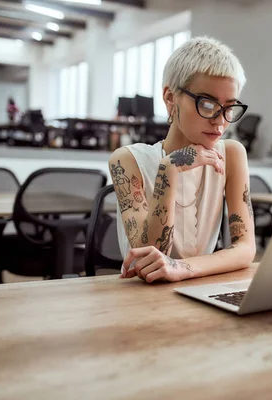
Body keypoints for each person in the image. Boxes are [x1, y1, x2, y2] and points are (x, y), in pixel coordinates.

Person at [109, 36, 256, 283]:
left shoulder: (231, 154)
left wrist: (182, 268)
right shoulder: (127, 160)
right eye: (207, 104)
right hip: (142, 300)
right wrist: (170, 168)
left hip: (200, 287)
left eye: (229, 108)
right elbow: (150, 259)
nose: (220, 121)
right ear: (170, 98)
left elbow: (245, 249)